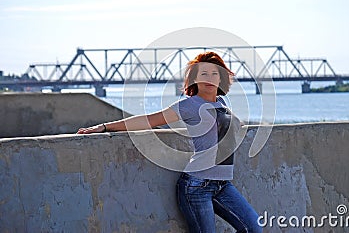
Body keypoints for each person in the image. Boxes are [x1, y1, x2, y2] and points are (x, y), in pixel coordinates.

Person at [77, 52, 262, 233]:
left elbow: (235, 126)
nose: (209, 78)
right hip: (197, 186)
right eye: (203, 73)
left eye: (215, 73)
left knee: (253, 227)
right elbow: (149, 120)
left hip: (222, 184)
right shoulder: (190, 105)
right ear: (194, 79)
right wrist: (104, 127)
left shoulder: (221, 104)